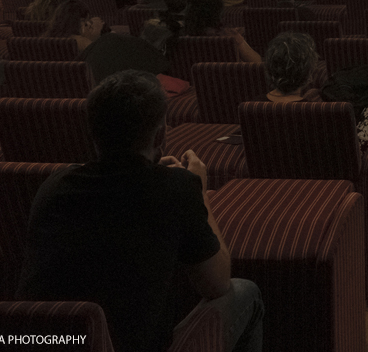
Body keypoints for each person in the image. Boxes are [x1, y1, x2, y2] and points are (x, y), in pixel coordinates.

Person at [18, 70, 263, 352]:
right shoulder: (175, 189)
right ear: (160, 133)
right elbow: (216, 284)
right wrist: (198, 191)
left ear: (94, 130)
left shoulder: (55, 185)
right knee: (247, 293)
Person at [184, 0, 263, 64]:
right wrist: (240, 40)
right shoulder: (230, 37)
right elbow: (257, 63)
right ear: (219, 14)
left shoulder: (182, 38)